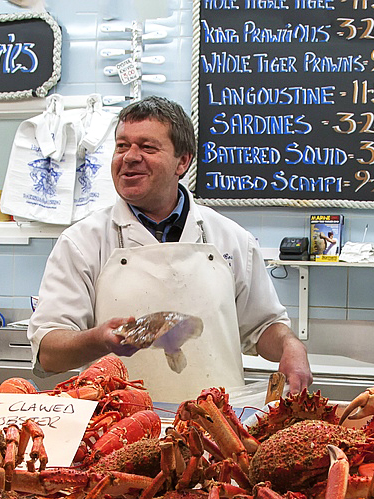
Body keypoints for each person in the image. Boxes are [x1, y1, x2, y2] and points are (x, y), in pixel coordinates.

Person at [27, 96, 312, 403]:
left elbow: (264, 327)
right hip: (118, 431)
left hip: (217, 430)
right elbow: (48, 352)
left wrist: (290, 345)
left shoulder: (231, 239)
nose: (130, 157)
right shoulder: (81, 242)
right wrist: (99, 340)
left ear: (183, 161)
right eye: (122, 145)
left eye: (147, 147)